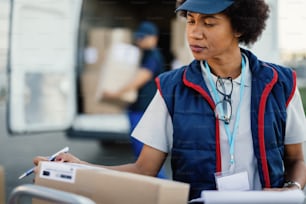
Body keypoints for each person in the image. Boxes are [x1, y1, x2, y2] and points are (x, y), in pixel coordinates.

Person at [34, 0, 306, 201]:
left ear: (240, 27)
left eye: (209, 23)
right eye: (190, 20)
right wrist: (81, 167)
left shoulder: (281, 84)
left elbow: (297, 160)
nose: (194, 33)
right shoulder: (171, 88)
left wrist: (293, 189)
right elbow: (144, 169)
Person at [102, 21, 168, 178]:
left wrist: (116, 93)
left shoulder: (153, 56)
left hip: (145, 111)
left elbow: (141, 78)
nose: (140, 41)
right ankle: (150, 186)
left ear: (154, 38)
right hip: (136, 109)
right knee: (141, 155)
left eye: (143, 38)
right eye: (139, 38)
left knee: (147, 155)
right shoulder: (141, 54)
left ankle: (162, 188)